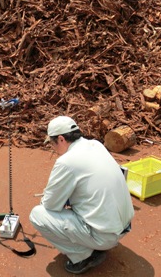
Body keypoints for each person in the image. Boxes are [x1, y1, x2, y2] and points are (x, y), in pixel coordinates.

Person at [29, 116, 134, 275]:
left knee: (38, 214)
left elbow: (50, 205)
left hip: (106, 236)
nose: (53, 148)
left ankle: (84, 256)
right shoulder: (96, 144)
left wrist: (52, 197)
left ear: (61, 139)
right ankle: (94, 243)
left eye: (52, 143)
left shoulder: (67, 161)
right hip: (124, 225)